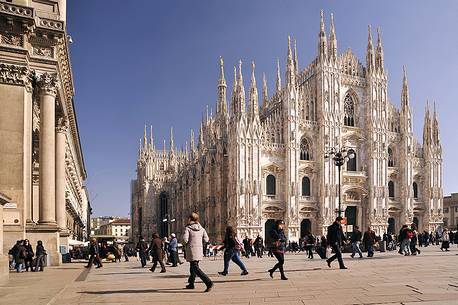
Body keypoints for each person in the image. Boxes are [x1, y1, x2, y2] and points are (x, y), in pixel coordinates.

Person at [182, 212, 213, 292]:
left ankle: (208, 282)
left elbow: (185, 240)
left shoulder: (188, 228)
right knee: (193, 267)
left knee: (195, 268)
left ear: (190, 219)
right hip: (199, 250)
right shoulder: (202, 229)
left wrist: (184, 244)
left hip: (191, 250)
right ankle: (191, 283)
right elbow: (206, 239)